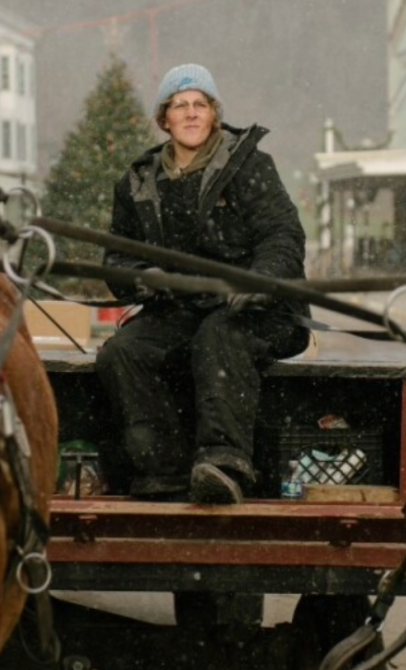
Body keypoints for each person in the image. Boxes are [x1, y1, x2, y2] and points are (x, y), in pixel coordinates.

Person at [95, 63, 311, 505]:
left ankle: (223, 464)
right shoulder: (136, 182)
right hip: (178, 310)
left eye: (200, 104)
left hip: (256, 311)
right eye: (180, 105)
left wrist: (259, 279)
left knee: (218, 336)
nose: (191, 113)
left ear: (213, 114)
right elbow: (118, 255)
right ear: (164, 119)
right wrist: (144, 278)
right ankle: (162, 473)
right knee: (123, 352)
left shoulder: (250, 166)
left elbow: (283, 236)